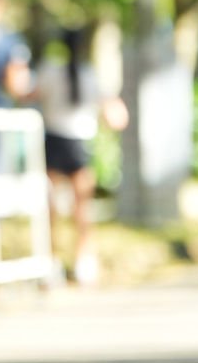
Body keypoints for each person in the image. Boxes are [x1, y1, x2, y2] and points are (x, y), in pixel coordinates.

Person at [32, 26, 129, 284]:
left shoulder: (50, 71)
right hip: (79, 145)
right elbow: (115, 115)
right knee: (82, 207)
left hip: (54, 141)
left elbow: (30, 94)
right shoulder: (90, 75)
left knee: (51, 208)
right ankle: (84, 261)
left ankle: (51, 261)